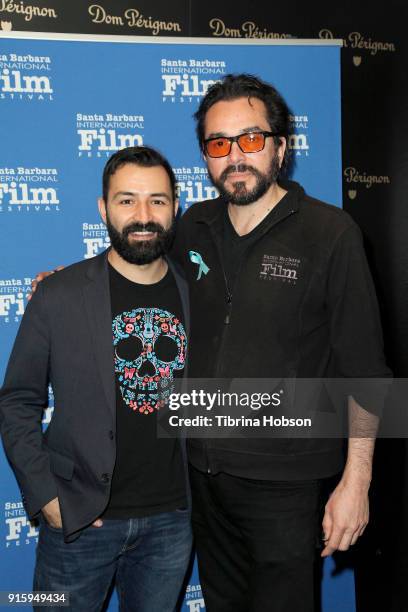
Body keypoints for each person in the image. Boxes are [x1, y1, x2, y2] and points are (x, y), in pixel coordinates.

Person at [169, 73, 390, 611]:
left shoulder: (331, 233)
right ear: (205, 156)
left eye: (250, 139)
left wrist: (356, 483)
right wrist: (68, 280)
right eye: (219, 145)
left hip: (286, 489)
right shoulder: (193, 224)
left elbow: (366, 370)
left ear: (280, 147)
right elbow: (139, 276)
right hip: (200, 475)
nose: (235, 157)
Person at [0, 146, 192, 612]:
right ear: (103, 208)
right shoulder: (59, 293)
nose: (143, 215)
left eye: (158, 201)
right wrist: (45, 495)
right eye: (127, 200)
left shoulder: (196, 291)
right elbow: (17, 400)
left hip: (172, 523)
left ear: (175, 206)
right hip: (80, 522)